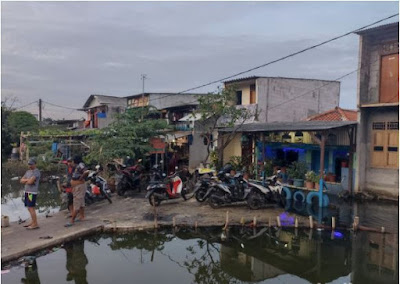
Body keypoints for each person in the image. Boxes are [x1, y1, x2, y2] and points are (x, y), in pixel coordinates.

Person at [65, 156, 89, 227]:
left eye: (71, 162)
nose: (70, 163)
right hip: (77, 187)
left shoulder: (80, 165)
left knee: (77, 203)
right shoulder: (76, 167)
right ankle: (82, 216)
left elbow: (86, 171)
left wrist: (81, 178)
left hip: (79, 186)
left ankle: (72, 221)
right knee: (81, 202)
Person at [20, 158, 41, 230]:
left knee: (31, 207)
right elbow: (21, 180)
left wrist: (27, 180)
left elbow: (30, 182)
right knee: (29, 208)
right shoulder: (28, 172)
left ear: (35, 164)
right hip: (27, 191)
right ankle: (33, 221)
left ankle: (35, 224)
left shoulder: (36, 172)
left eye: (31, 164)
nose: (30, 166)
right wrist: (27, 180)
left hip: (31, 193)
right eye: (29, 164)